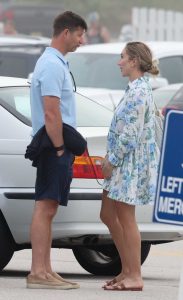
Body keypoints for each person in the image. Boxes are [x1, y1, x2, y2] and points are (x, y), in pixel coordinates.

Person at [27, 11, 87, 289]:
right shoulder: (51, 65)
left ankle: (46, 270)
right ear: (66, 33)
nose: (82, 41)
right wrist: (61, 148)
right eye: (79, 34)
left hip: (55, 143)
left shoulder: (55, 62)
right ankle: (37, 273)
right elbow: (52, 113)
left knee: (49, 207)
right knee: (45, 206)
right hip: (53, 144)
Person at [100, 41, 160, 291]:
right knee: (107, 214)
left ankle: (134, 275)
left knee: (126, 218)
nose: (119, 61)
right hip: (122, 160)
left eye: (122, 57)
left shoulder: (138, 91)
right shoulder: (136, 88)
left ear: (134, 60)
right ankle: (126, 270)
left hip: (128, 163)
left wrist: (112, 160)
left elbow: (132, 133)